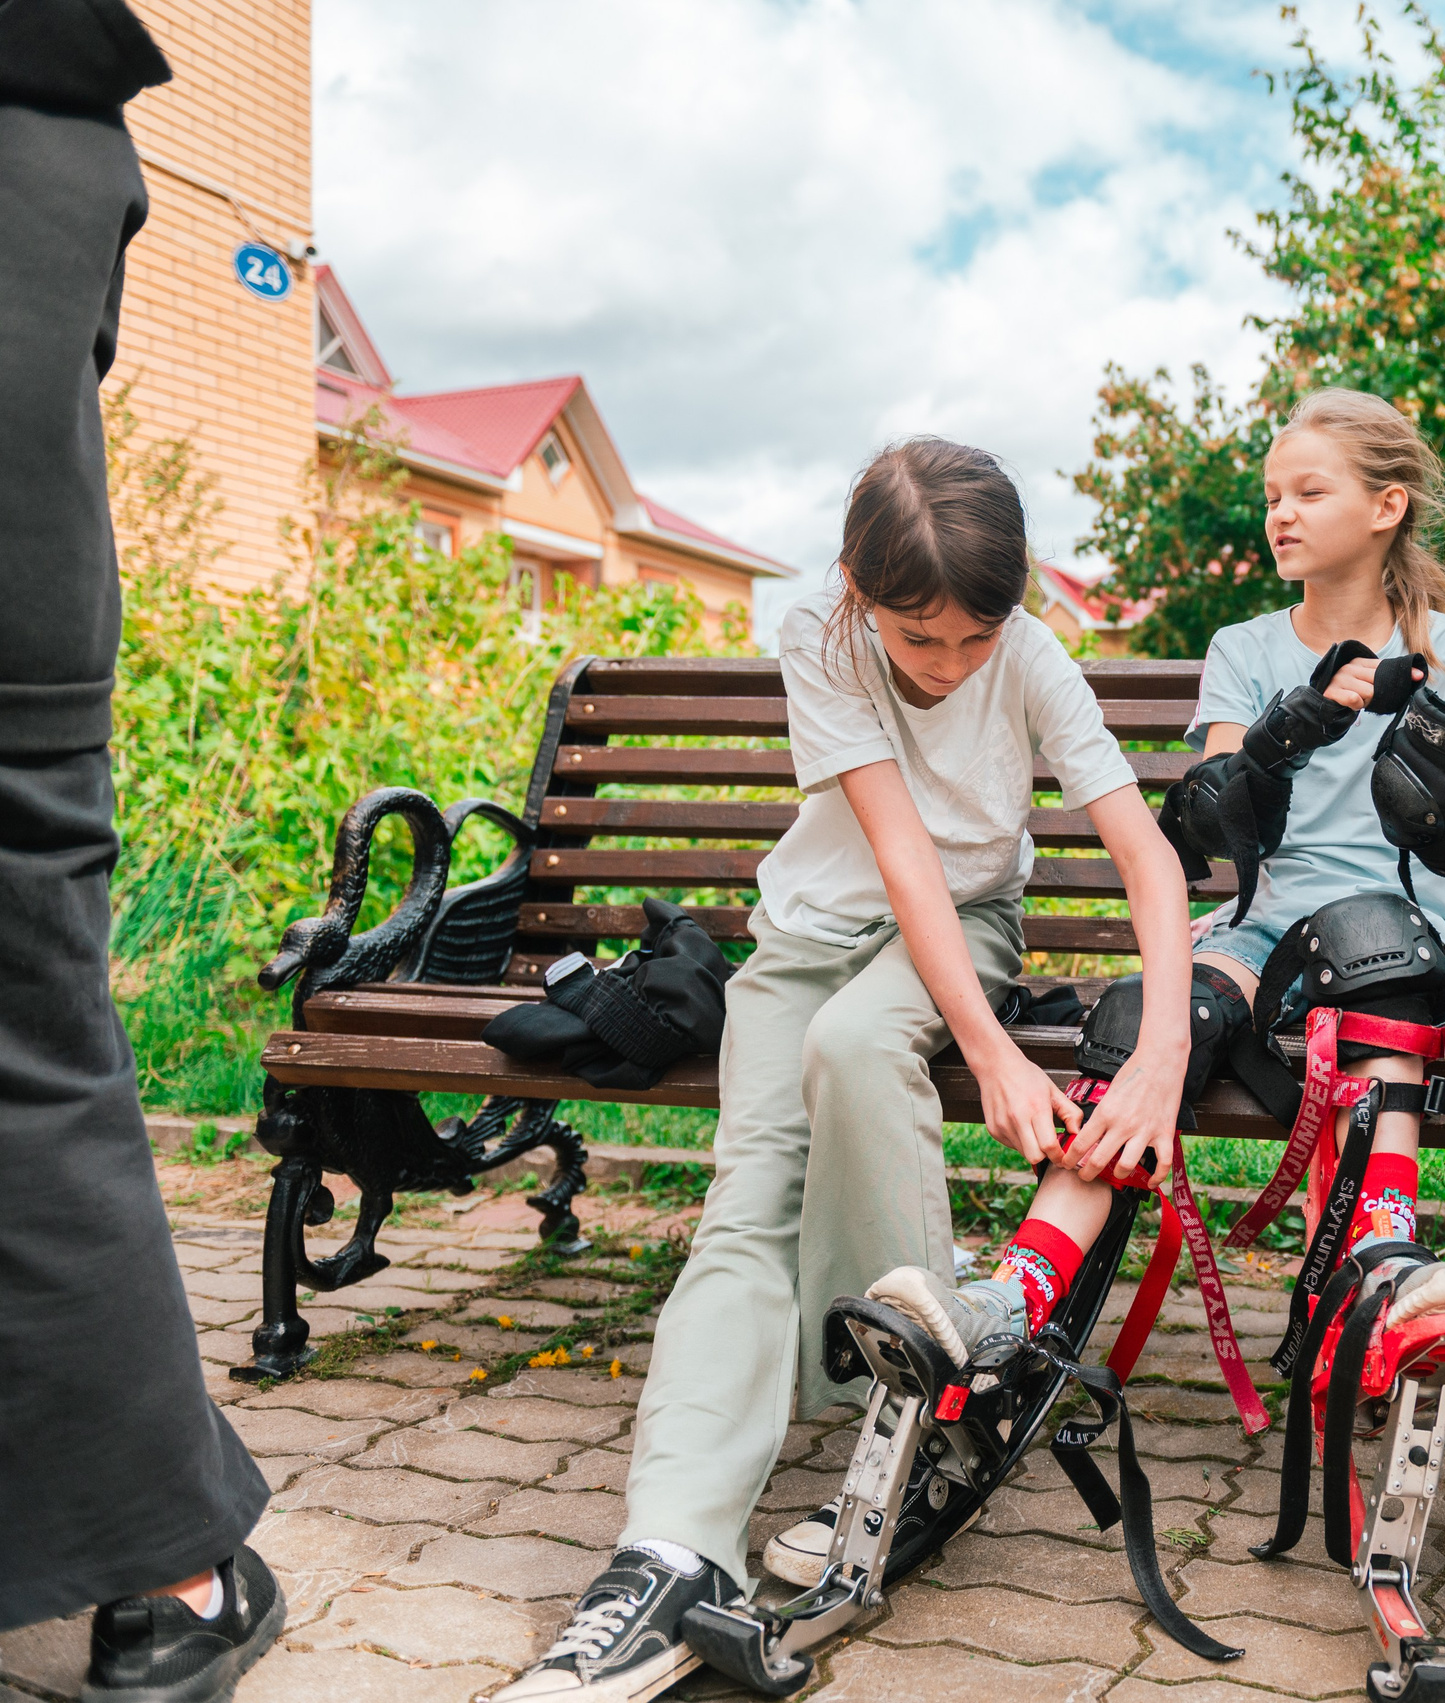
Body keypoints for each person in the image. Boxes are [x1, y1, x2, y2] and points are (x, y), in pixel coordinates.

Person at [493, 438, 1197, 1703]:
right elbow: (894, 850)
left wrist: (1160, 1054)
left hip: (970, 922)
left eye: (973, 640)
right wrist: (987, 1052)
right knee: (745, 1206)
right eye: (922, 640)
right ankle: (669, 1552)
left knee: (860, 1047)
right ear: (856, 586)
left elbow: (1146, 856)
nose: (949, 665)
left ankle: (931, 1399)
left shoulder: (1029, 655)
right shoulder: (820, 632)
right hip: (810, 935)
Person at [838, 388, 1445, 1447]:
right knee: (1144, 1022)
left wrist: (1434, 756)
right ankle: (1010, 1299)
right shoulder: (1245, 645)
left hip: (1389, 929)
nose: (1277, 513)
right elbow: (1204, 821)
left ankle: (1382, 1267)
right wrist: (1287, 729)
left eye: (1307, 491)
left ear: (1386, 506)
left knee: (1376, 955)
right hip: (1260, 923)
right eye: (1270, 496)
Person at [0, 2, 284, 1695]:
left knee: (17, 1065)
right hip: (15, 615)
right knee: (24, 1061)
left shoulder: (36, 130)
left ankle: (173, 1540)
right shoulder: (72, 127)